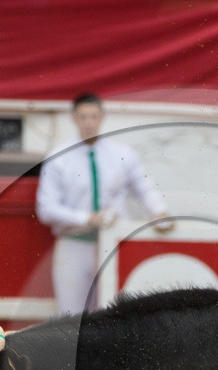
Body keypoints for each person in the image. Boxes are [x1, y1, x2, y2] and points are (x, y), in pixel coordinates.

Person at [36, 92, 173, 315]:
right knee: (72, 314)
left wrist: (160, 212)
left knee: (117, 311)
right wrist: (86, 218)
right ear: (74, 119)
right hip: (74, 243)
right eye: (83, 117)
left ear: (102, 117)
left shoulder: (122, 154)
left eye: (93, 117)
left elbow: (144, 188)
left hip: (115, 242)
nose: (88, 123)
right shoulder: (58, 157)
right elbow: (46, 209)